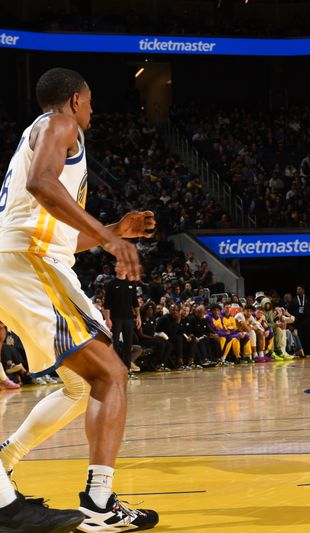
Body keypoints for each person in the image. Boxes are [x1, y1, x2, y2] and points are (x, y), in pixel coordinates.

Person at [0, 67, 158, 531]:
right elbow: (41, 185)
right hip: (28, 263)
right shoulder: (58, 124)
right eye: (89, 100)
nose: (92, 109)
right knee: (110, 374)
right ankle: (99, 501)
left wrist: (113, 231)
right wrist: (109, 242)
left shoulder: (49, 134)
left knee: (82, 384)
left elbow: (57, 234)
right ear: (73, 100)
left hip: (32, 259)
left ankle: (6, 460)